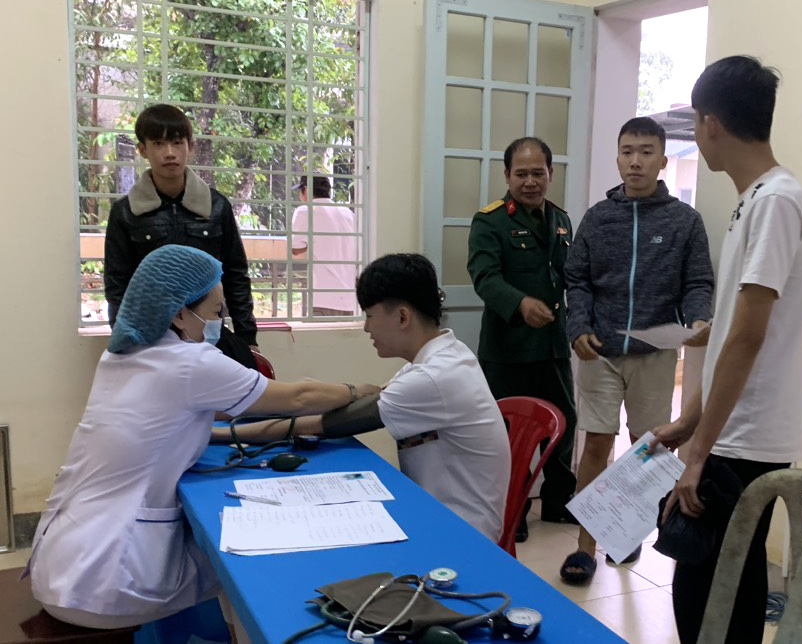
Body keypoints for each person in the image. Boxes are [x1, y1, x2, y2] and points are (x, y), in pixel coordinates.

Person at [25, 245, 378, 630]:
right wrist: (359, 390)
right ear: (179, 313)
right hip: (106, 580)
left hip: (61, 564)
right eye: (214, 311)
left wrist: (301, 424)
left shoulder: (122, 356)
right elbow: (297, 397)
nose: (218, 322)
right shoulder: (188, 362)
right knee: (252, 565)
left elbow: (206, 416)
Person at [648, 56, 802, 643]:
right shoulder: (756, 200)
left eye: (697, 124)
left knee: (711, 593)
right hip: (730, 430)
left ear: (711, 123)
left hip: (744, 439)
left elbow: (749, 336)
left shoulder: (775, 201)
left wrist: (698, 452)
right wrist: (689, 422)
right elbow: (729, 334)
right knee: (718, 584)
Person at [219, 254, 511, 541]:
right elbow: (365, 395)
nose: (366, 328)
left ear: (402, 316)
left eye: (370, 316)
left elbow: (325, 423)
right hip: (435, 509)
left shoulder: (432, 377)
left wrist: (219, 435)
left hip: (461, 530)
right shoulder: (444, 356)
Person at [559, 117, 714, 584]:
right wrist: (578, 326)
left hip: (655, 352)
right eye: (627, 151)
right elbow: (576, 280)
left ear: (663, 161)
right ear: (617, 158)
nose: (636, 161)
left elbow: (698, 281)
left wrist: (698, 319)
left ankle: (625, 533)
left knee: (648, 448)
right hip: (600, 352)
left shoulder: (684, 221)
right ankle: (585, 546)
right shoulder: (598, 218)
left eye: (646, 152)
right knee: (597, 443)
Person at [467, 137, 577, 542]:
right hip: (507, 348)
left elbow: (569, 277)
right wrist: (520, 303)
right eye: (521, 174)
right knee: (507, 433)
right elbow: (484, 277)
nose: (530, 182)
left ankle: (558, 500)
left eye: (538, 173)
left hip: (552, 345)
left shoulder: (561, 219)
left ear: (550, 173)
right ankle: (513, 506)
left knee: (564, 422)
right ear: (507, 176)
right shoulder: (490, 221)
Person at [104, 103, 259, 367]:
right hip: (151, 341)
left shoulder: (216, 206)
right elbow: (117, 285)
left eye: (177, 143)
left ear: (191, 146)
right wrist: (127, 343)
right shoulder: (126, 212)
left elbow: (236, 276)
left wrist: (247, 338)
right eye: (158, 143)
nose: (169, 153)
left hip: (209, 337)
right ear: (142, 149)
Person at [291, 175, 359, 317]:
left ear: (306, 189)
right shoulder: (347, 213)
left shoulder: (306, 211)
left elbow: (296, 249)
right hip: (349, 298)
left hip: (323, 297)